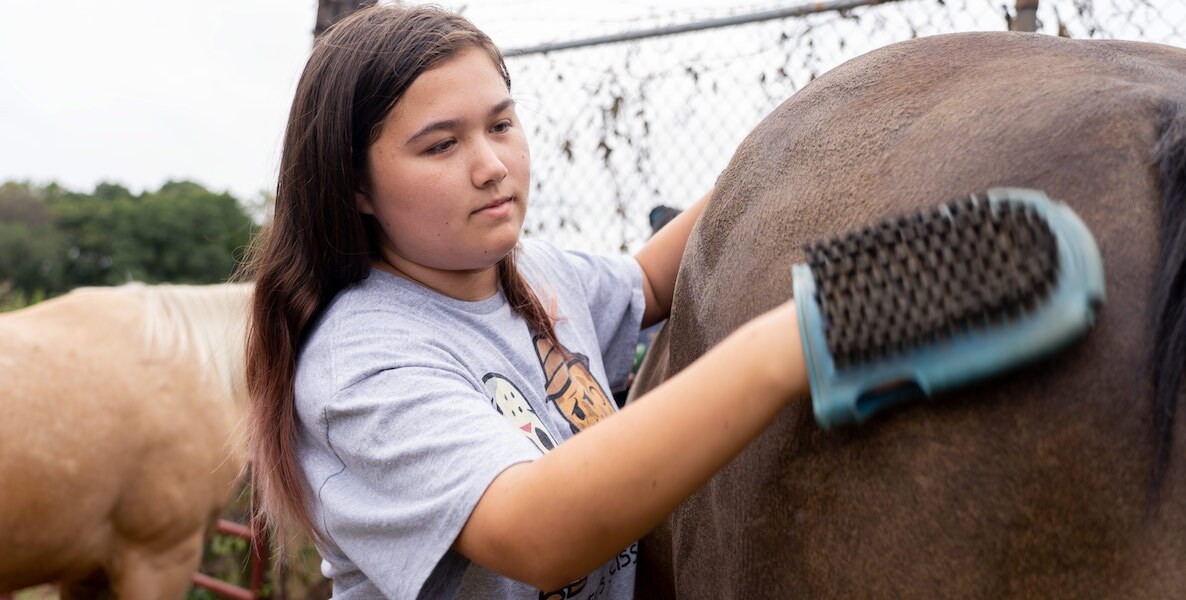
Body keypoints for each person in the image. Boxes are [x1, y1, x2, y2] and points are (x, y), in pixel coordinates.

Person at [242, 5, 1095, 599]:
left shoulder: (533, 273)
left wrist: (817, 148)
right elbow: (537, 534)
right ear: (353, 184)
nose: (491, 164)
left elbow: (649, 280)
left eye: (501, 125)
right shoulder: (364, 359)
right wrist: (794, 343)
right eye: (441, 144)